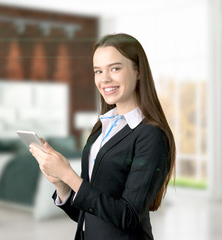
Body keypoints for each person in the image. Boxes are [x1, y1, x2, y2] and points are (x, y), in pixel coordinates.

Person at [29, 33, 176, 240]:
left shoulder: (151, 136)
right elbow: (88, 213)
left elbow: (128, 217)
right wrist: (61, 183)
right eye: (98, 71)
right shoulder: (102, 128)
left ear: (139, 71)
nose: (104, 79)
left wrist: (70, 175)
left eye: (115, 68)